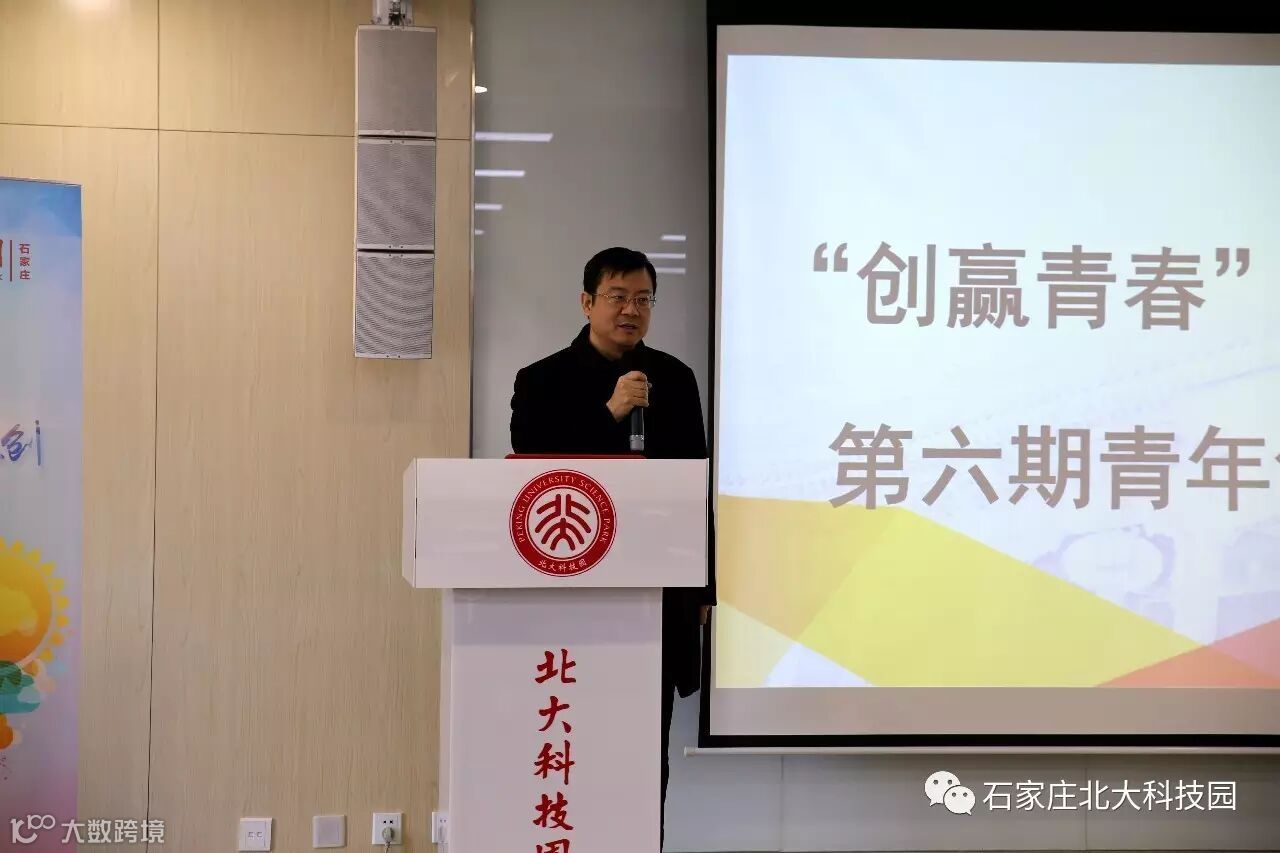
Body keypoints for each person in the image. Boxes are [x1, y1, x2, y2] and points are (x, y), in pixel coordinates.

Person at [510, 246, 715, 846]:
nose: (631, 310)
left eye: (643, 299)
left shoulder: (675, 378)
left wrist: (704, 584)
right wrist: (611, 411)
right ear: (587, 302)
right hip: (573, 594)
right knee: (576, 737)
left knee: (647, 749)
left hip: (657, 593)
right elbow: (533, 473)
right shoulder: (540, 380)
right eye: (618, 297)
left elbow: (694, 486)